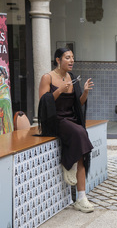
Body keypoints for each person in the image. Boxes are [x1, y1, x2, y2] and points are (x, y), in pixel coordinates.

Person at [38, 48, 95, 212]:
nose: (71, 61)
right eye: (67, 58)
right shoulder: (47, 78)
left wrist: (84, 92)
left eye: (72, 58)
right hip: (56, 120)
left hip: (70, 118)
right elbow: (43, 105)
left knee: (82, 144)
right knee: (80, 133)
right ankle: (68, 162)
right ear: (58, 60)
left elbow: (78, 104)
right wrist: (59, 90)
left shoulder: (71, 77)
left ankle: (81, 197)